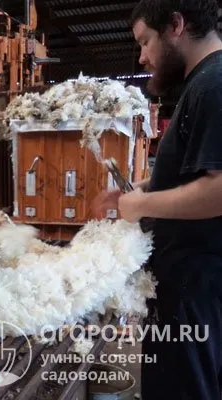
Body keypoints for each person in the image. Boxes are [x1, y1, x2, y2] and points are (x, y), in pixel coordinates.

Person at [93, 1, 222, 398]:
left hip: (196, 289)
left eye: (145, 41)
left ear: (176, 26)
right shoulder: (202, 83)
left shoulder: (213, 85)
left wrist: (142, 206)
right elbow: (195, 169)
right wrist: (146, 187)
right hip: (188, 284)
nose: (142, 55)